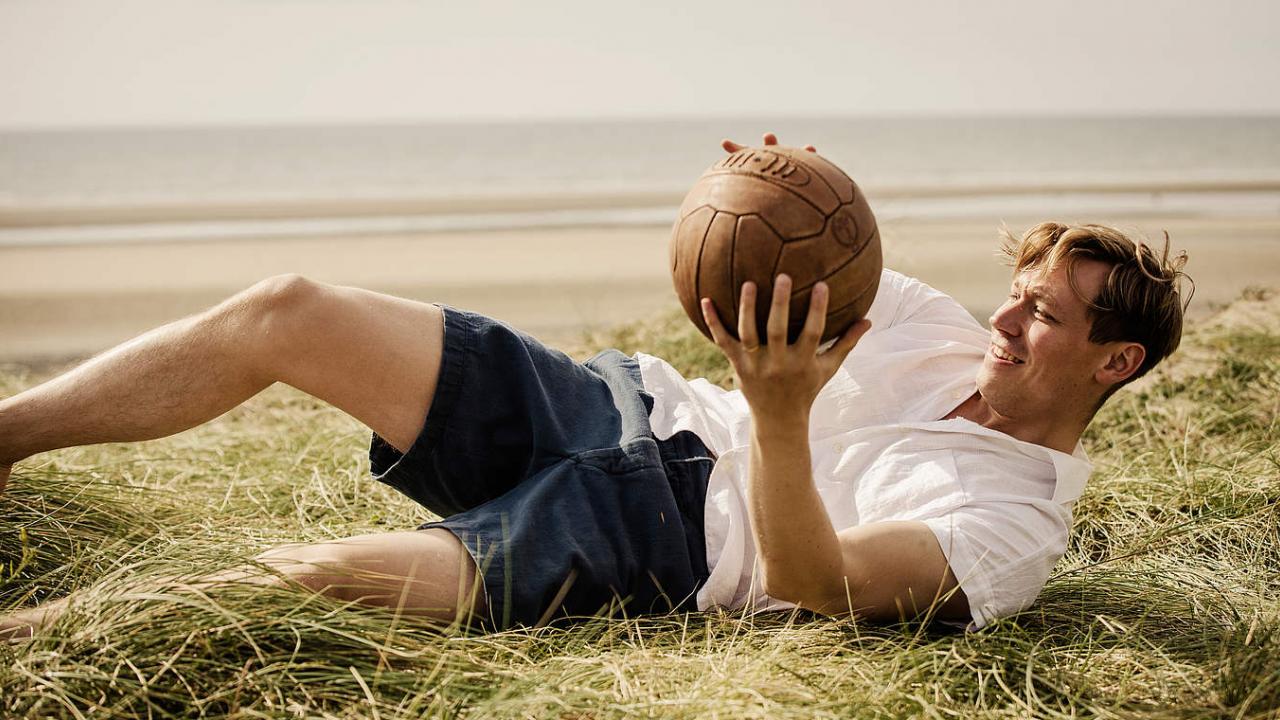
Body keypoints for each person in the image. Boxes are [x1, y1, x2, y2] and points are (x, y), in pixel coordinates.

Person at [0, 134, 1191, 640]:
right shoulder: (934, 324)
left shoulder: (1008, 529)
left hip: (650, 539)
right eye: (1016, 289)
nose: (1003, 315)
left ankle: (30, 640)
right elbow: (805, 249)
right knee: (287, 309)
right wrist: (767, 193)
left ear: (1112, 361)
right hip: (614, 403)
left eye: (1041, 312)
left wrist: (777, 420)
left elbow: (813, 584)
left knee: (316, 577)